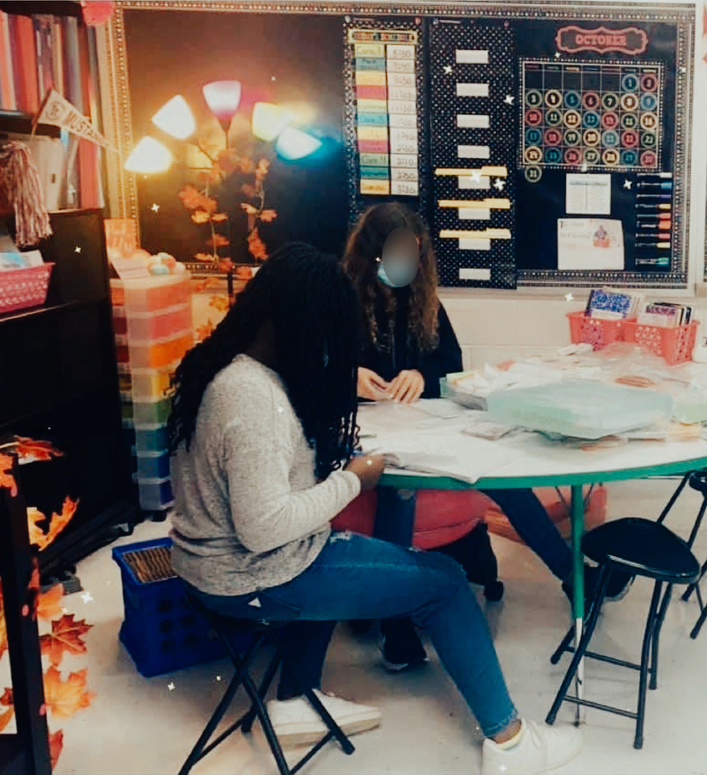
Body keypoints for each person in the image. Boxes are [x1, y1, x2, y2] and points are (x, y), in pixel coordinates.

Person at [167, 244, 581, 774]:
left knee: (340, 542)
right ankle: (510, 742)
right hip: (252, 575)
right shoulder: (252, 397)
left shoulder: (229, 369)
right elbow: (264, 529)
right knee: (446, 582)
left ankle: (295, 699)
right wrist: (353, 480)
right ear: (302, 323)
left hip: (215, 569)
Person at [343, 203, 631, 671]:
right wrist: (348, 377)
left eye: (413, 254)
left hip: (423, 424)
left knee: (503, 474)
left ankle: (574, 577)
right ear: (372, 253)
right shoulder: (340, 301)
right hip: (367, 433)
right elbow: (309, 372)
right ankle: (395, 628)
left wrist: (422, 374)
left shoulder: (425, 301)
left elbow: (451, 365)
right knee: (399, 489)